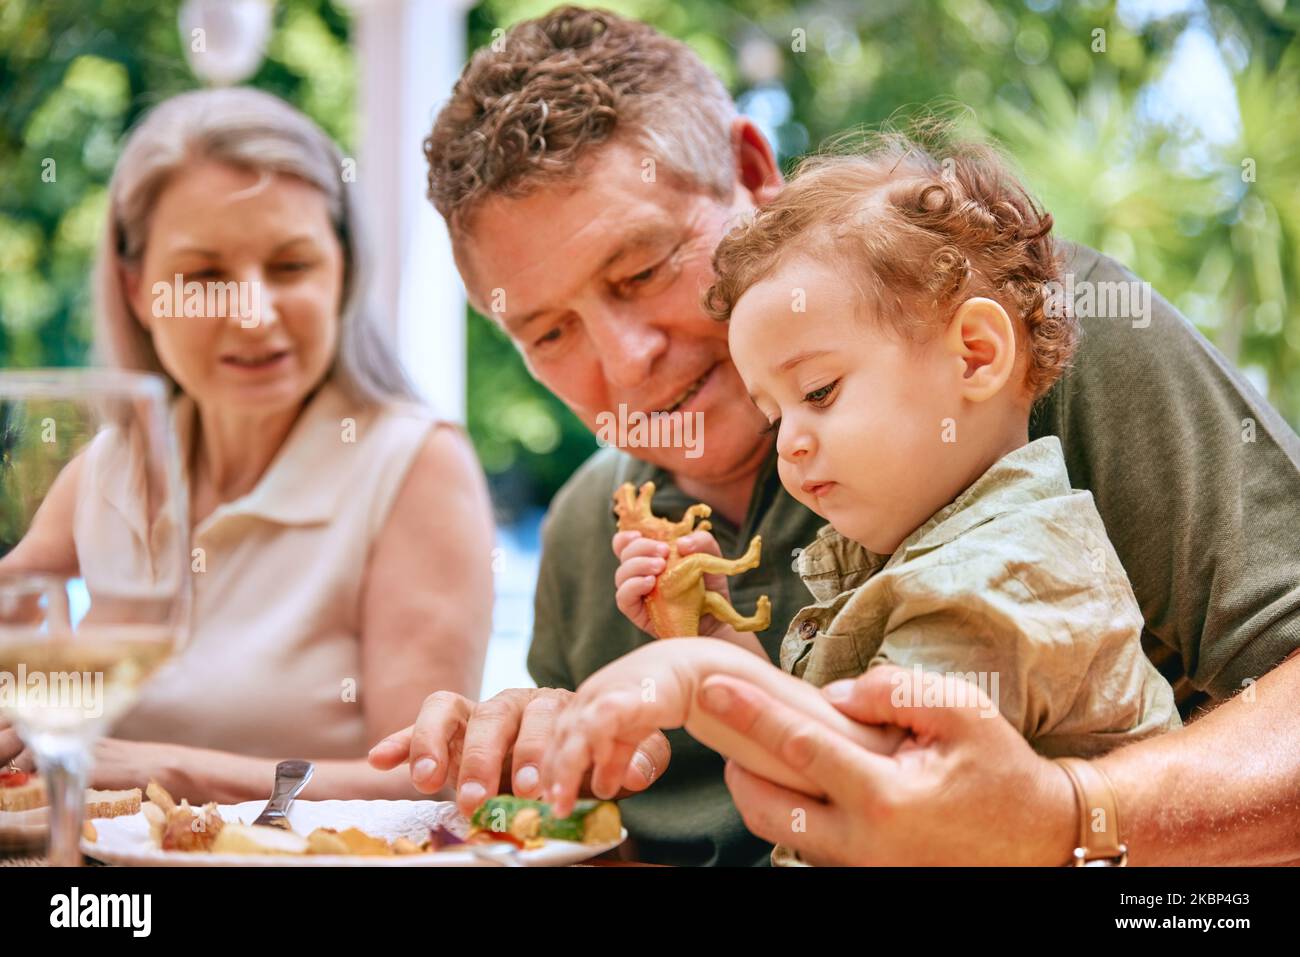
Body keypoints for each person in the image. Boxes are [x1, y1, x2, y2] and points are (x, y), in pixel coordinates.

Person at [371, 6, 1300, 865]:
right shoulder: (588, 535)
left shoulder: (1027, 343)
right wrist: (531, 790)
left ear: (751, 170)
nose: (624, 364)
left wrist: (1070, 816)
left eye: (643, 269)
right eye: (548, 333)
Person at [539, 133, 1182, 866]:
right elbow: (813, 747)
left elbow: (859, 785)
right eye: (774, 414)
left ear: (974, 353)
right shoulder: (931, 551)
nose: (788, 444)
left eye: (818, 392)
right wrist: (707, 636)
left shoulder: (1007, 570)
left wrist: (694, 679)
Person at [0, 88, 495, 803]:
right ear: (137, 289)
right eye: (205, 276)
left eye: (291, 266)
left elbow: (426, 782)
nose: (255, 315)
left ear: (343, 272)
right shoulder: (112, 467)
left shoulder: (414, 466)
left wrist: (169, 772)